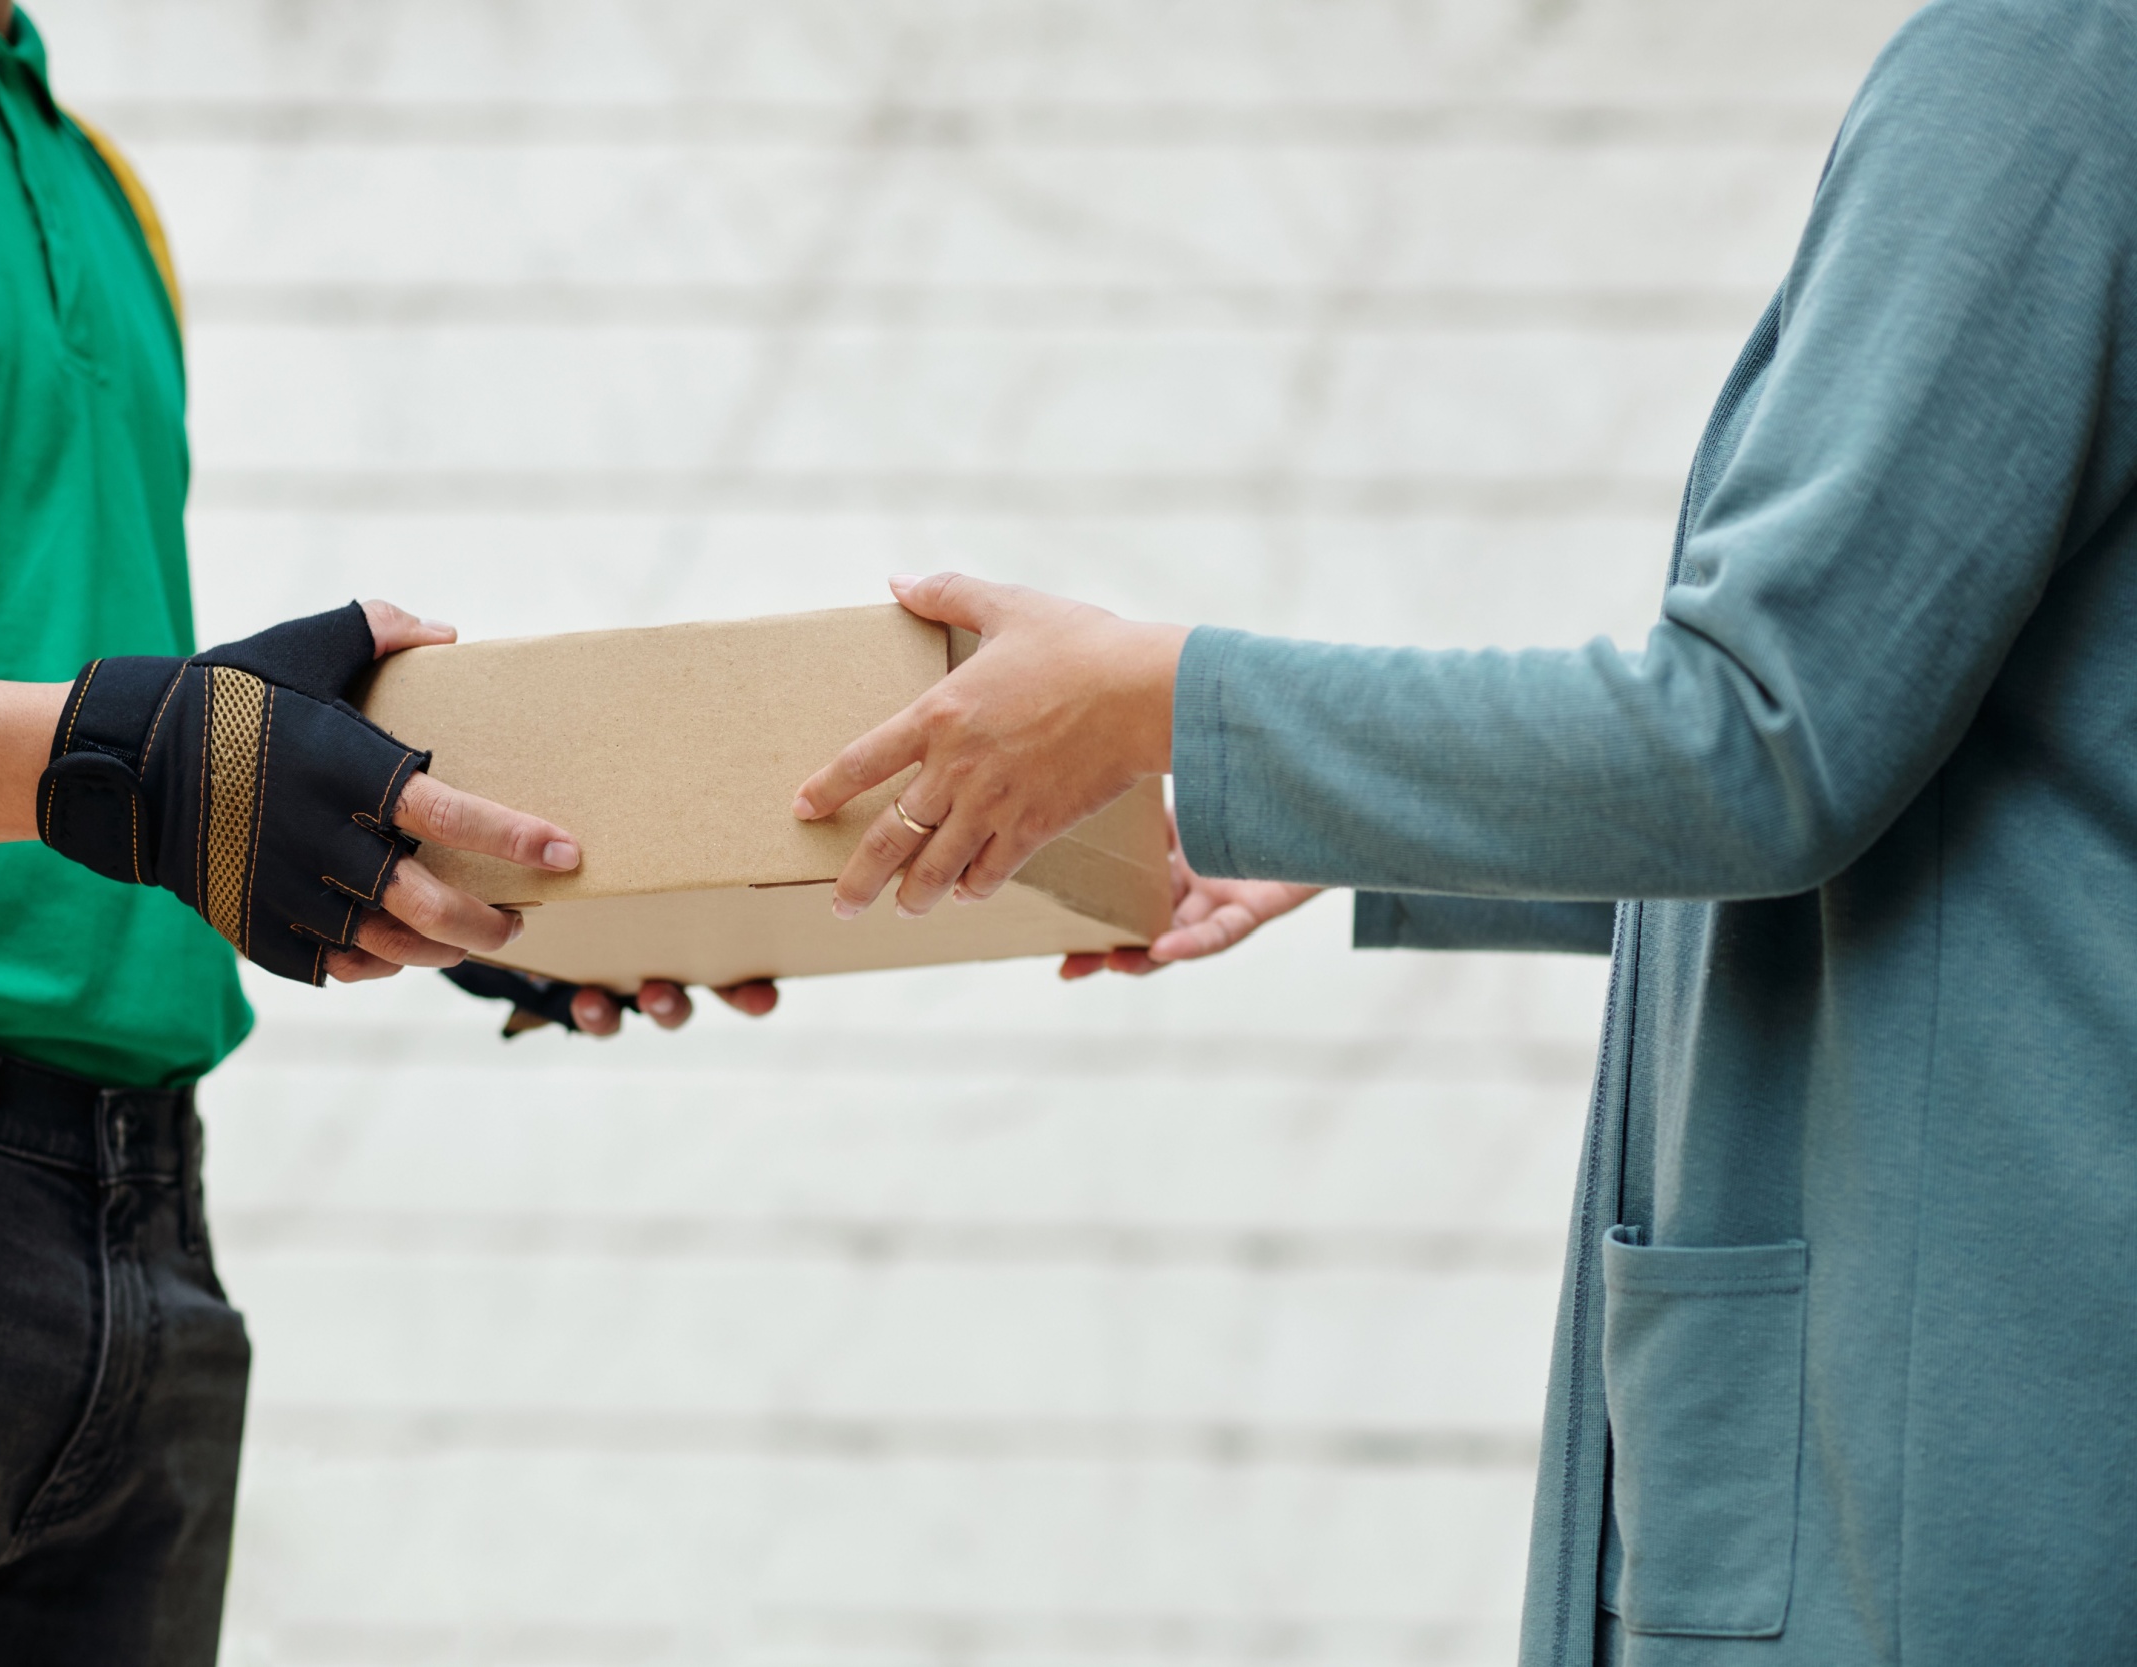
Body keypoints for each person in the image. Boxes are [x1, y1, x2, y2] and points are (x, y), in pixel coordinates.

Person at [795, 2, 2137, 1663]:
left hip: (1955, 1471)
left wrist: (1158, 700)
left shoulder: (2058, 65)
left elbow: (1765, 744)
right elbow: (1992, 778)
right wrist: (1338, 818)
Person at [0, 0, 764, 1660]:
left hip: (138, 1224)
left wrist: (401, 866)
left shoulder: (96, 186)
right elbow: (84, 745)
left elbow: (46, 719)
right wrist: (122, 757)